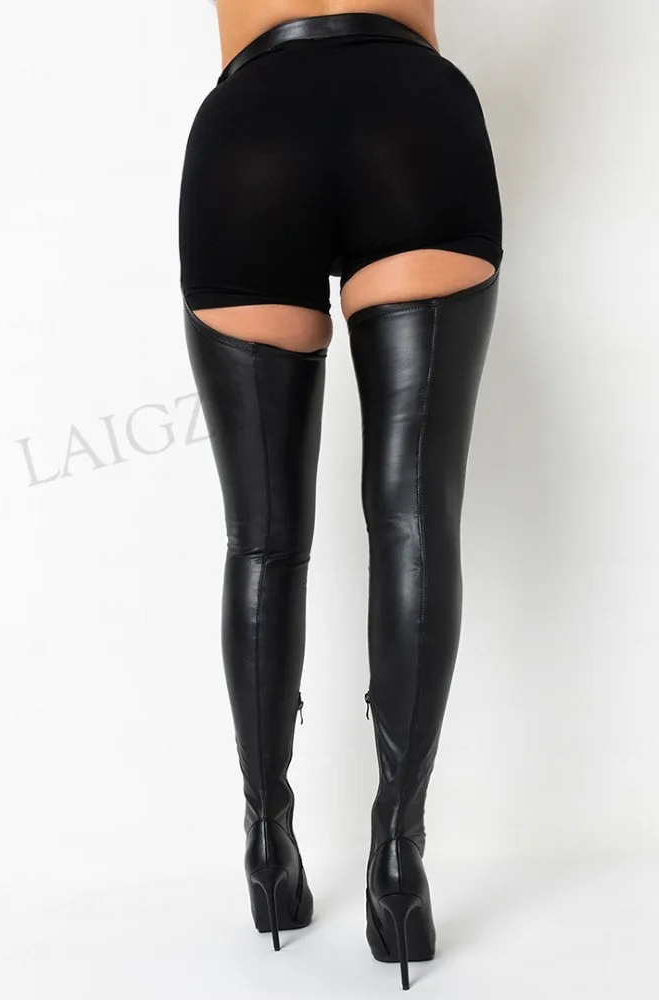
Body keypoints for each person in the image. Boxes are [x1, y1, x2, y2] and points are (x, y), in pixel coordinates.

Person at [178, 2, 503, 990]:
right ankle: (397, 859)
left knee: (260, 538)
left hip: (253, 128)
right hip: (412, 120)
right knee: (414, 517)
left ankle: (266, 841)